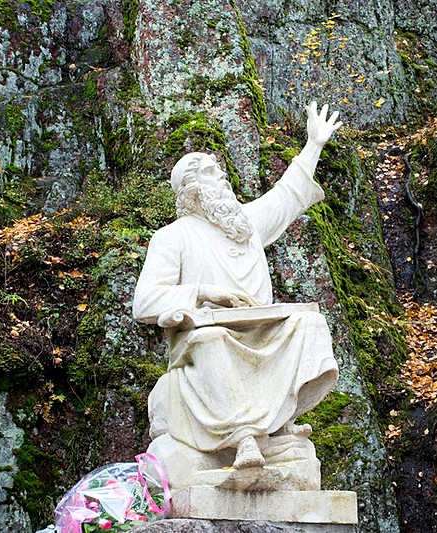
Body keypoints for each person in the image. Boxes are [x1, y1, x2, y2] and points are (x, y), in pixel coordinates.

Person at [133, 103, 342, 472]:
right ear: (194, 190)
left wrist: (314, 144)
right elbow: (145, 300)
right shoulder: (172, 237)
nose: (224, 178)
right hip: (208, 336)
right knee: (211, 341)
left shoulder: (244, 224)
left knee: (311, 326)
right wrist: (204, 293)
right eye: (215, 174)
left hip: (259, 331)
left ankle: (278, 419)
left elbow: (287, 195)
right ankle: (244, 436)